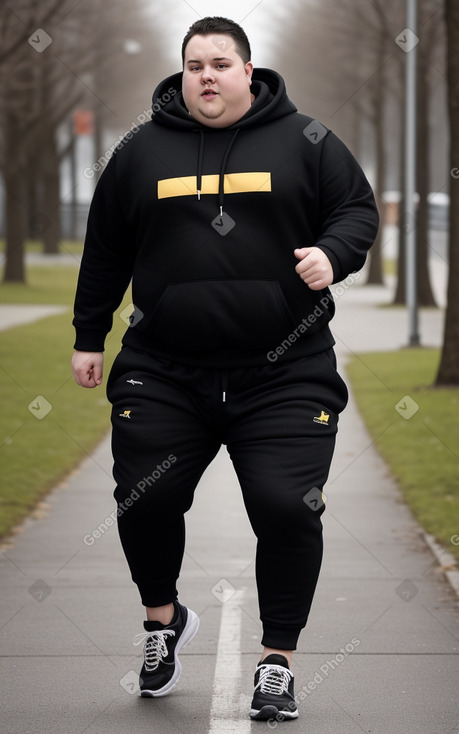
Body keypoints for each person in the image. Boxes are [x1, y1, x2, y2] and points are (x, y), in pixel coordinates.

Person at [72, 16, 379, 722]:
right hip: (163, 370)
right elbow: (104, 249)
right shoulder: (139, 150)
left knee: (283, 506)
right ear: (182, 74)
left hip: (285, 372)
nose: (205, 75)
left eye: (219, 63)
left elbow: (356, 211)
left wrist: (333, 254)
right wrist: (90, 336)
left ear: (248, 70)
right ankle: (163, 621)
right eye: (193, 65)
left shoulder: (305, 139)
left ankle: (277, 661)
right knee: (141, 499)